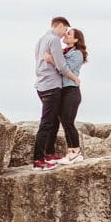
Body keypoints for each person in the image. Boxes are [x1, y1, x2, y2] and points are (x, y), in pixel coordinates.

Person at [32, 16, 79, 171]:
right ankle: (38, 160)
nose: (64, 33)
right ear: (59, 26)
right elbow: (62, 66)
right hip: (51, 86)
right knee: (47, 123)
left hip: (41, 84)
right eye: (65, 30)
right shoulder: (53, 40)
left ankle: (49, 154)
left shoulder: (42, 39)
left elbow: (36, 57)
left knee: (53, 122)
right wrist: (75, 79)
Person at [45, 27, 88, 164]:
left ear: (75, 40)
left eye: (69, 33)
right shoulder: (62, 51)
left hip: (71, 90)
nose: (65, 34)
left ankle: (76, 151)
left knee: (68, 121)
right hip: (61, 90)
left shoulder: (78, 54)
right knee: (62, 121)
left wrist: (52, 60)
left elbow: (65, 69)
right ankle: (70, 152)